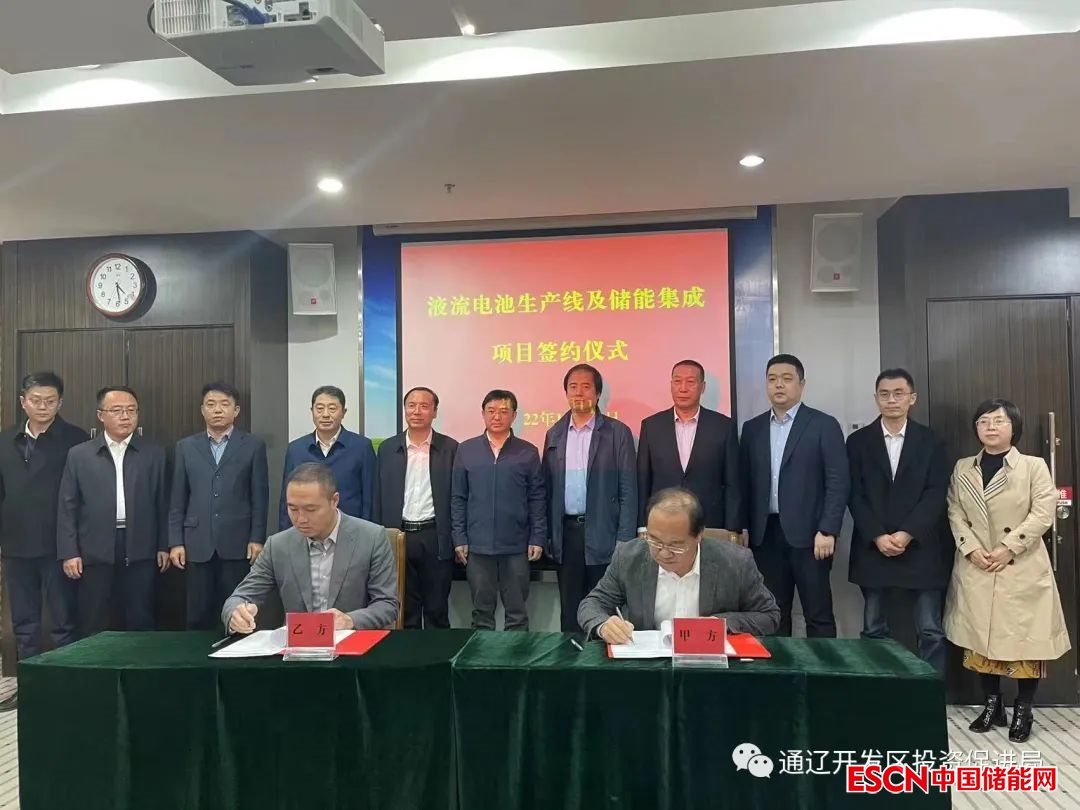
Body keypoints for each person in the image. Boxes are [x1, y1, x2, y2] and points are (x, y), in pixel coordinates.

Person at [944, 399, 1071, 742]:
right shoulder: (963, 467)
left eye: (999, 421)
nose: (990, 427)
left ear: (1014, 427)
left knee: (1026, 640)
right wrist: (970, 548)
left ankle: (1023, 709)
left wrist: (1008, 547)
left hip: (1020, 565)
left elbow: (1043, 512)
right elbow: (955, 511)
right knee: (980, 639)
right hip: (977, 564)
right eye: (983, 421)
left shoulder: (1033, 466)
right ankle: (992, 704)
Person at [847, 369, 951, 674]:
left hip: (921, 547)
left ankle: (930, 691)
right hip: (873, 546)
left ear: (912, 398)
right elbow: (854, 494)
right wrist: (877, 535)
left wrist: (907, 533)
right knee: (873, 627)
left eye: (898, 393)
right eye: (884, 394)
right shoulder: (858, 441)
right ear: (876, 398)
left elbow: (936, 493)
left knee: (930, 629)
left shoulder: (931, 441)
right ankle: (879, 689)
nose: (891, 400)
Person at [578, 488, 779, 641]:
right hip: (649, 668)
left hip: (710, 668)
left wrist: (720, 625)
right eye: (655, 541)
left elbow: (769, 616)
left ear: (699, 536)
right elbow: (591, 604)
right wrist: (604, 625)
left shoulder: (736, 563)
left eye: (676, 545)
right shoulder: (628, 557)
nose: (664, 553)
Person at [741, 354, 849, 637]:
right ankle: (780, 666)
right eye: (772, 379)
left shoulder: (823, 424)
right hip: (765, 536)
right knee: (773, 613)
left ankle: (823, 666)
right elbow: (745, 482)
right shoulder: (752, 429)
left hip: (812, 536)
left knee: (818, 613)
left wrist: (828, 529)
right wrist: (743, 527)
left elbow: (838, 481)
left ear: (801, 384)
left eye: (787, 379)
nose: (779, 385)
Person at [0, 372, 88, 711]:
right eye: (36, 400)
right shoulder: (5, 440)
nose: (42, 406)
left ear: (60, 402)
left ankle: (64, 688)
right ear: (23, 402)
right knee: (24, 624)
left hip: (59, 547)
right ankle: (30, 689)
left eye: (50, 401)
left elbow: (82, 499)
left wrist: (74, 546)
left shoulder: (75, 440)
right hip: (16, 547)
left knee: (64, 623)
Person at [222, 463, 398, 632]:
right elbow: (240, 597)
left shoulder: (371, 538)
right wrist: (235, 613)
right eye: (293, 509)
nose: (301, 519)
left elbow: (387, 605)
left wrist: (350, 620)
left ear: (334, 500)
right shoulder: (278, 545)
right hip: (296, 645)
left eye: (311, 509)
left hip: (352, 644)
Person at [57, 386, 169, 637]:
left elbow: (163, 502)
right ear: (101, 415)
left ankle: (139, 661)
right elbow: (67, 506)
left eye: (131, 410)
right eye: (117, 410)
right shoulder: (80, 455)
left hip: (141, 545)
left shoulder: (154, 453)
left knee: (141, 615)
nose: (125, 416)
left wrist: (164, 545)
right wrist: (69, 552)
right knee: (94, 617)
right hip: (94, 548)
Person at [542, 364, 636, 632]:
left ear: (597, 394)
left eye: (586, 387)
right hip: (567, 533)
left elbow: (628, 489)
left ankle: (603, 657)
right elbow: (546, 489)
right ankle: (570, 656)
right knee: (570, 609)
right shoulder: (555, 434)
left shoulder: (617, 433)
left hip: (604, 531)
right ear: (566, 393)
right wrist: (548, 536)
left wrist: (625, 539)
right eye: (573, 387)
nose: (579, 393)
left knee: (605, 608)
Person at [168, 382, 269, 629]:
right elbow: (177, 498)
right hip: (196, 541)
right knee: (198, 612)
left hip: (237, 541)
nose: (217, 410)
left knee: (237, 610)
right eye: (211, 404)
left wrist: (256, 538)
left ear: (236, 410)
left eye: (225, 404)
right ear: (202, 410)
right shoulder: (186, 447)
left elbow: (259, 496)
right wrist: (175, 541)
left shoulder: (253, 445)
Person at [451, 390, 546, 631]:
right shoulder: (466, 450)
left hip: (516, 546)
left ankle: (516, 655)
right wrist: (459, 538)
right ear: (483, 414)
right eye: (491, 411)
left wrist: (537, 537)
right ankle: (482, 656)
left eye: (504, 411)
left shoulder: (528, 452)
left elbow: (537, 498)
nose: (497, 417)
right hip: (478, 547)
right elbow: (458, 498)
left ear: (514, 415)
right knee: (481, 614)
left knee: (517, 614)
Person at [373, 386, 458, 628]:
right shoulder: (388, 449)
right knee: (404, 609)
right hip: (398, 535)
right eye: (411, 405)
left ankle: (437, 652)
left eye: (424, 406)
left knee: (436, 609)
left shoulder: (451, 448)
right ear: (404, 410)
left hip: (435, 536)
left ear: (434, 412)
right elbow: (377, 496)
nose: (417, 411)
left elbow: (459, 497)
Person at [637, 359, 741, 532]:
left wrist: (733, 528)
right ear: (671, 385)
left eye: (690, 382)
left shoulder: (723, 426)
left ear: (703, 387)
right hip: (662, 521)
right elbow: (643, 480)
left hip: (710, 522)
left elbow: (733, 482)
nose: (683, 388)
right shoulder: (651, 426)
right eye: (677, 381)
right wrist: (642, 525)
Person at [279, 385, 376, 530]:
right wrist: (286, 534)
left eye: (332, 408)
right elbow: (286, 499)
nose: (325, 414)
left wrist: (366, 533)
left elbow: (370, 497)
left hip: (350, 531)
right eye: (319, 409)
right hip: (305, 530)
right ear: (312, 411)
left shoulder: (361, 447)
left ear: (343, 412)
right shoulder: (296, 449)